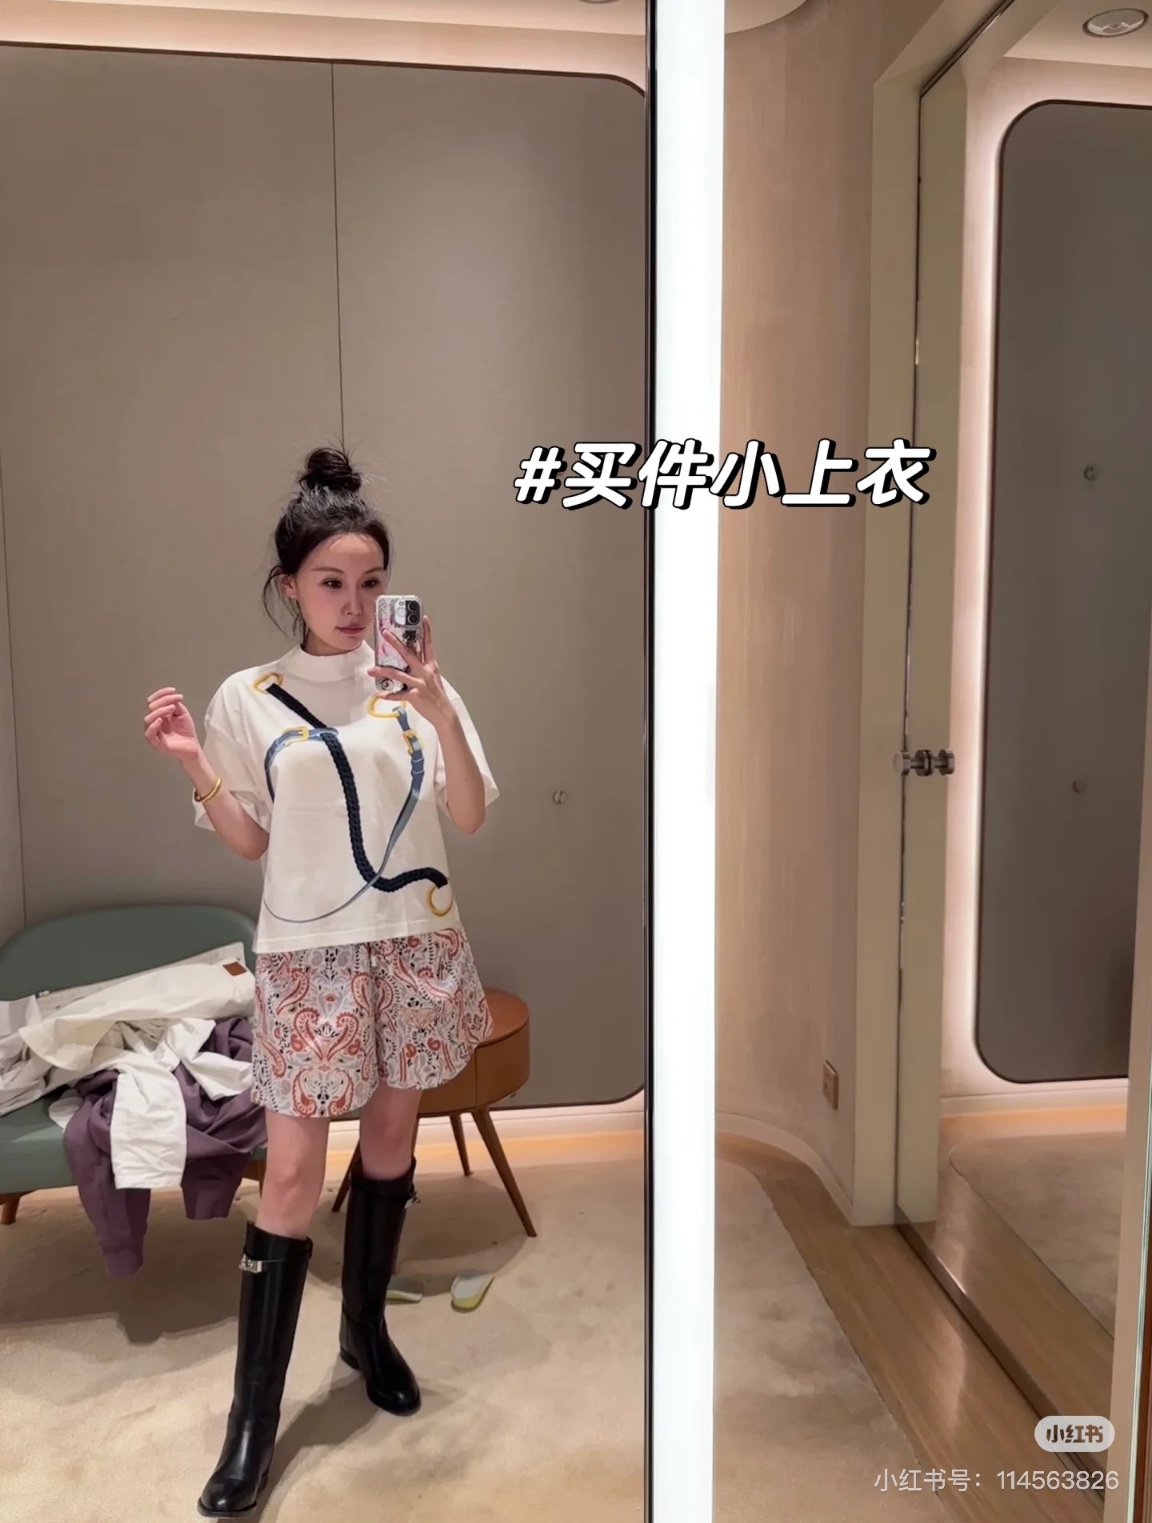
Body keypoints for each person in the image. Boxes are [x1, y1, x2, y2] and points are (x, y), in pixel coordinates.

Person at [142, 446, 498, 1519]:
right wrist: (191, 761)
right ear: (290, 585)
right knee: (293, 1175)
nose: (355, 603)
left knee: (390, 1144)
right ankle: (252, 1423)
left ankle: (365, 1332)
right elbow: (252, 841)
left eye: (372, 582)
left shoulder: (417, 688)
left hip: (414, 941)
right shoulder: (246, 697)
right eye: (332, 581)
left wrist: (438, 708)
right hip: (307, 958)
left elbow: (470, 813)